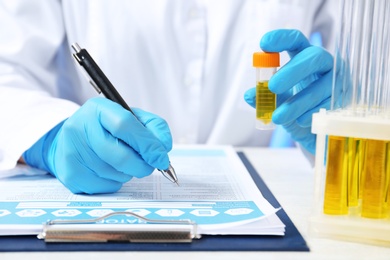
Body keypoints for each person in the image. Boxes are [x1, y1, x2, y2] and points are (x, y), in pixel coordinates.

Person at [0, 0, 337, 194]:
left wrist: (344, 117)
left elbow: (375, 53)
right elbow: (6, 67)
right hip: (96, 199)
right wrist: (50, 138)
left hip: (261, 196)